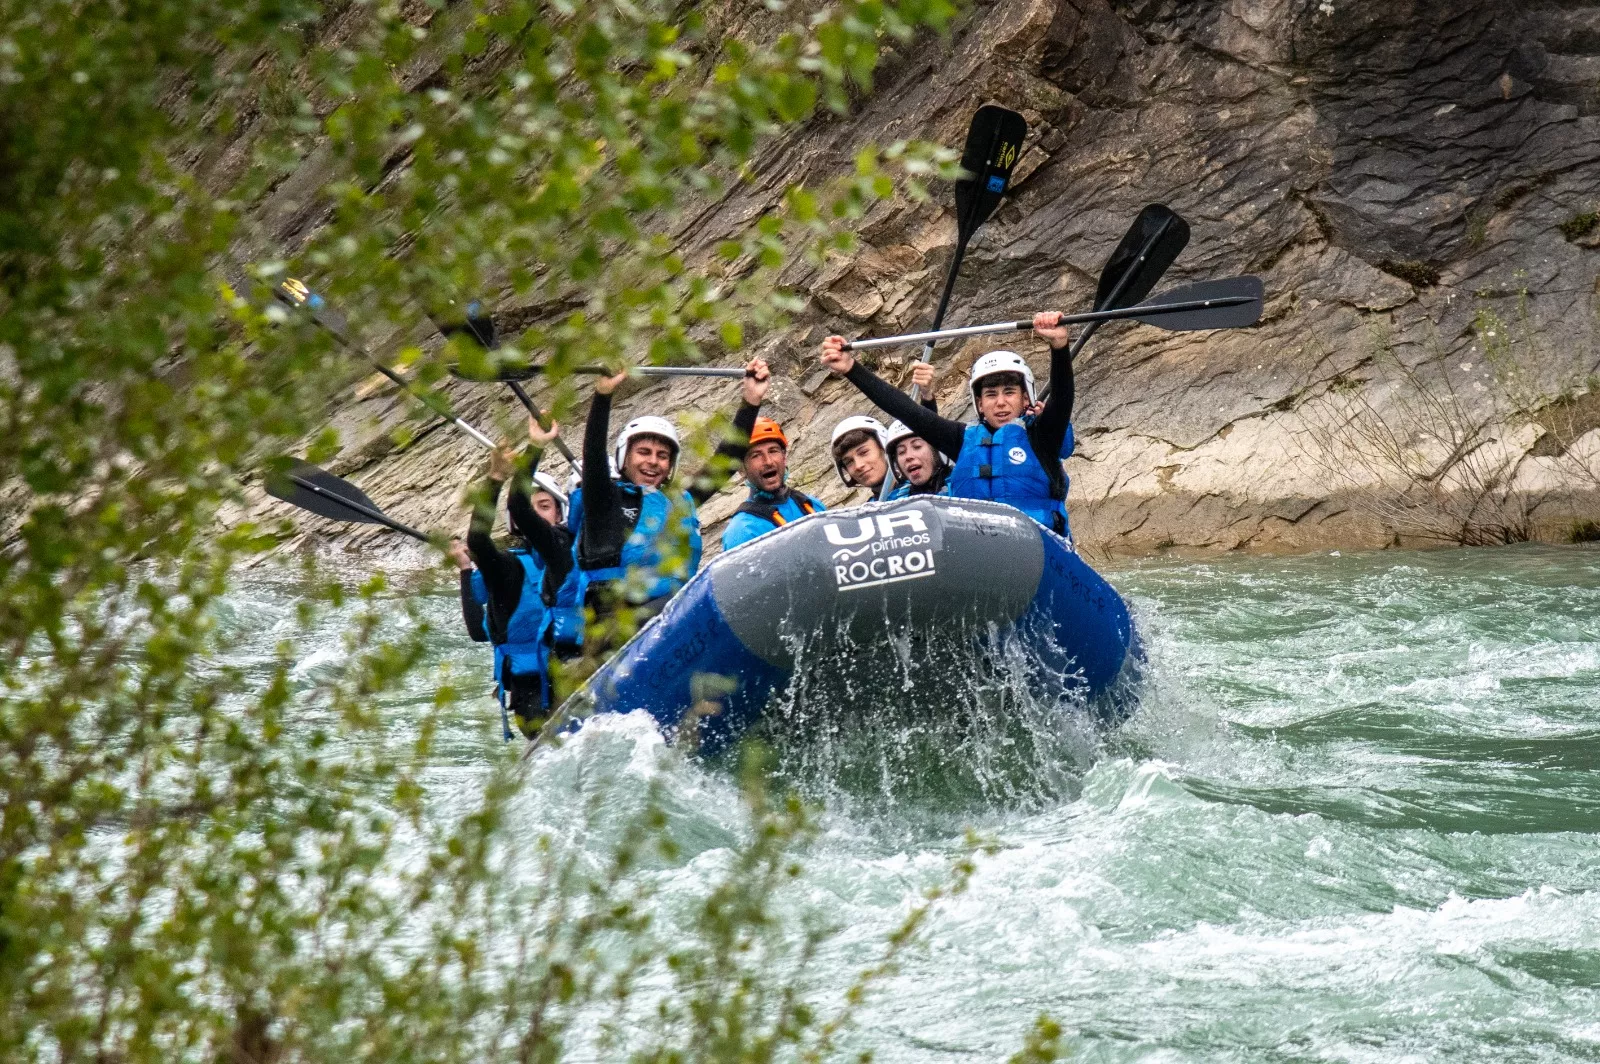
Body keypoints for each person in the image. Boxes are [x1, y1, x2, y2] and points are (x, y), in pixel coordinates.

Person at [819, 311, 1076, 534]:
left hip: (1039, 548)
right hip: (983, 555)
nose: (1000, 402)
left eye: (1009, 392)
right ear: (979, 404)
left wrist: (1059, 346)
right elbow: (906, 410)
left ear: (1025, 398)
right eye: (990, 395)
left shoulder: (1043, 435)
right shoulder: (961, 440)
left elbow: (1062, 397)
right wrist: (851, 368)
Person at [577, 358, 771, 626]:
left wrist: (750, 401)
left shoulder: (678, 503)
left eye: (662, 456)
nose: (653, 462)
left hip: (669, 620)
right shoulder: (603, 501)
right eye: (643, 452)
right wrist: (603, 396)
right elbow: (593, 454)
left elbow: (726, 461)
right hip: (614, 631)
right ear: (624, 456)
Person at [463, 442, 581, 739]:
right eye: (530, 508)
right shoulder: (507, 569)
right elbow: (478, 540)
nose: (537, 515)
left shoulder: (571, 554)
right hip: (531, 697)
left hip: (573, 674)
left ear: (559, 513)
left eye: (545, 506)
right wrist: (495, 479)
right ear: (515, 520)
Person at [720, 417, 826, 551]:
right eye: (755, 455)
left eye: (773, 451)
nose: (768, 461)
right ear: (741, 469)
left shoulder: (812, 505)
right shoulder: (742, 532)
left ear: (784, 456)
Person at [883, 420, 950, 498]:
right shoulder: (895, 502)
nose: (908, 457)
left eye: (917, 447)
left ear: (937, 451)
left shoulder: (961, 481)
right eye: (901, 452)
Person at [829, 415, 891, 496]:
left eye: (863, 452)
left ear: (884, 447)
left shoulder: (913, 488)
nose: (858, 466)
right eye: (849, 462)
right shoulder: (869, 508)